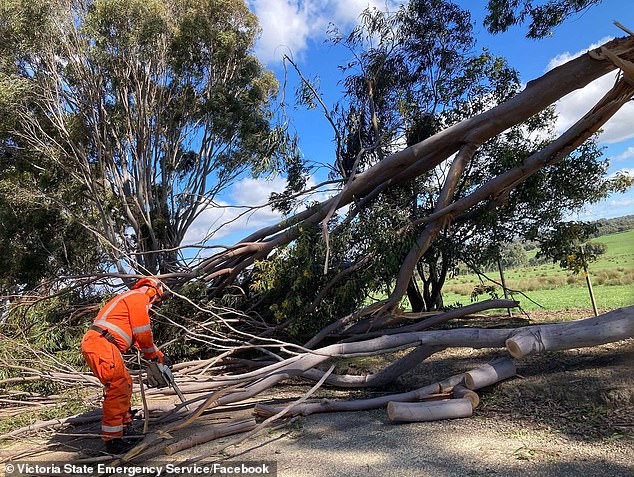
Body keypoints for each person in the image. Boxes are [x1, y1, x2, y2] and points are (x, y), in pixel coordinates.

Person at [81, 276, 170, 454]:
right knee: (118, 386)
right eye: (156, 300)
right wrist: (152, 356)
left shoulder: (130, 299)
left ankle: (124, 428)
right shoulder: (138, 298)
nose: (154, 304)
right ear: (152, 291)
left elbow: (137, 338)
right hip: (101, 344)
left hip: (105, 343)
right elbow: (143, 333)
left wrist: (159, 356)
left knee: (125, 384)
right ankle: (113, 441)